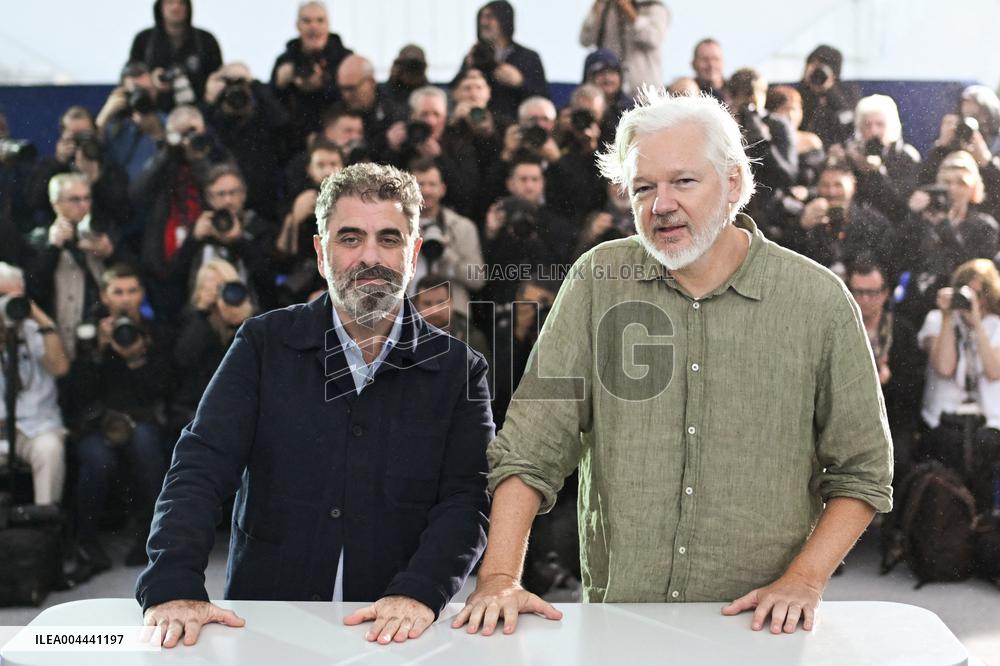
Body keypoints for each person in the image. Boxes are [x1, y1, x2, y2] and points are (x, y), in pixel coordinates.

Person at [453, 90, 892, 636]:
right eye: (643, 187)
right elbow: (530, 446)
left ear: (733, 183)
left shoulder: (818, 301)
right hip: (620, 624)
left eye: (683, 181)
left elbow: (863, 471)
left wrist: (804, 580)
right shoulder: (596, 281)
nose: (660, 205)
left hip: (761, 632)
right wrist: (498, 577)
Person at [137, 163, 493, 648]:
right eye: (350, 238)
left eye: (389, 239)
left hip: (398, 633)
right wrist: (173, 583)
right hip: (267, 624)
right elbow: (200, 466)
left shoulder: (459, 370)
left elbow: (467, 500)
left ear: (413, 255)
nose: (371, 257)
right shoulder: (263, 344)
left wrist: (420, 591)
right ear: (321, 254)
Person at [64, 263, 172, 574]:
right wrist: (98, 352)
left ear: (142, 294)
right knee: (96, 458)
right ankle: (87, 542)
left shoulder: (156, 333)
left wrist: (137, 359)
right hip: (98, 424)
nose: (125, 299)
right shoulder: (91, 334)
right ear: (105, 296)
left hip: (141, 420)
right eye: (118, 292)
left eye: (132, 291)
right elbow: (77, 394)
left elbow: (164, 389)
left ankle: (151, 537)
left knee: (146, 446)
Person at [918, 259, 1000, 509]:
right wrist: (947, 317)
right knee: (949, 447)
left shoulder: (995, 325)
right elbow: (944, 367)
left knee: (984, 448)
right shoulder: (937, 320)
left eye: (980, 294)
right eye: (966, 293)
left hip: (987, 422)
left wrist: (977, 325)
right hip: (943, 418)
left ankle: (981, 519)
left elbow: (994, 371)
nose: (973, 300)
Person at [0, 262, 69, 507]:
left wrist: (38, 317)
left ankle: (46, 522)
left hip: (37, 426)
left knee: (49, 450)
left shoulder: (34, 330)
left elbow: (59, 368)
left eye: (9, 296)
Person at [169, 258, 253, 437]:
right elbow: (183, 358)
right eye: (214, 286)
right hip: (197, 405)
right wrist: (203, 314)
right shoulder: (191, 321)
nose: (221, 293)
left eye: (226, 285)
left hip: (241, 403)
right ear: (200, 290)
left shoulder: (253, 321)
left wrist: (239, 324)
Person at [407, 159, 485, 320]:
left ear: (442, 189)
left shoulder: (462, 227)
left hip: (452, 318)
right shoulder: (397, 228)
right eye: (420, 184)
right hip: (407, 316)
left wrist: (446, 254)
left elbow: (478, 279)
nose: (426, 190)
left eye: (432, 184)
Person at [270, 1, 353, 151]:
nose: (314, 26)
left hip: (337, 139)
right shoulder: (285, 60)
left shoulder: (345, 59)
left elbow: (353, 101)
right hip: (294, 142)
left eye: (320, 20)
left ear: (328, 25)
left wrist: (324, 84)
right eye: (307, 21)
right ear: (297, 26)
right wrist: (280, 86)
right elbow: (273, 106)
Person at [455, 1, 549, 122]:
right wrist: (468, 69)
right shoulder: (474, 57)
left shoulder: (528, 57)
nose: (483, 22)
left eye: (489, 17)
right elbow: (453, 90)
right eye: (481, 17)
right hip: (479, 123)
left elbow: (544, 98)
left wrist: (520, 83)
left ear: (504, 20)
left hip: (515, 121)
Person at [128, 0, 223, 110]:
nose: (176, 7)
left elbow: (218, 76)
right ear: (160, 7)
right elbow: (129, 76)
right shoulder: (144, 39)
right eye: (170, 2)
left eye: (181, 3)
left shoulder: (206, 40)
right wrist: (151, 79)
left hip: (198, 109)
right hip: (153, 110)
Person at [841, 94, 921, 223]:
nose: (874, 131)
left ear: (891, 126)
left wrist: (877, 172)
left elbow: (901, 203)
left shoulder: (907, 157)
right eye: (867, 125)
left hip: (893, 223)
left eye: (880, 124)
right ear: (859, 128)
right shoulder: (852, 156)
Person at [578, 0, 670, 96]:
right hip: (611, 91)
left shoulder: (653, 7)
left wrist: (628, 10)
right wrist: (597, 9)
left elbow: (653, 38)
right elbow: (585, 40)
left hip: (645, 90)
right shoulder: (605, 7)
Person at [798, 45, 858, 149]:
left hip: (838, 147)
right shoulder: (799, 92)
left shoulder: (848, 92)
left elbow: (848, 117)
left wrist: (830, 89)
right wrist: (810, 88)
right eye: (813, 64)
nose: (818, 70)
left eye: (823, 65)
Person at [691, 38, 727, 103]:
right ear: (694, 64)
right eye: (705, 59)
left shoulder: (736, 92)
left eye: (716, 59)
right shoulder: (686, 92)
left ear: (723, 62)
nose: (711, 65)